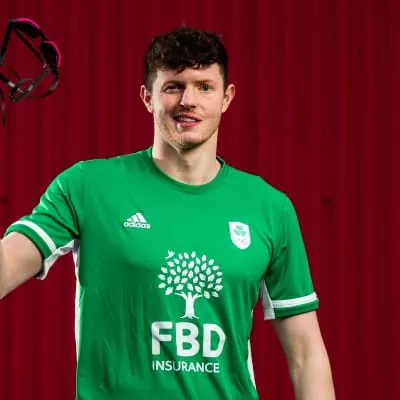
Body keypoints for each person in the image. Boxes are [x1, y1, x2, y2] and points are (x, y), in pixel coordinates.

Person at [0, 27, 335, 399]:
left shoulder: (270, 208)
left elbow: (306, 356)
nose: (188, 101)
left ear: (226, 97)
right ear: (148, 97)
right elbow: (9, 260)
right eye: (174, 86)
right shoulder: (87, 187)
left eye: (204, 87)